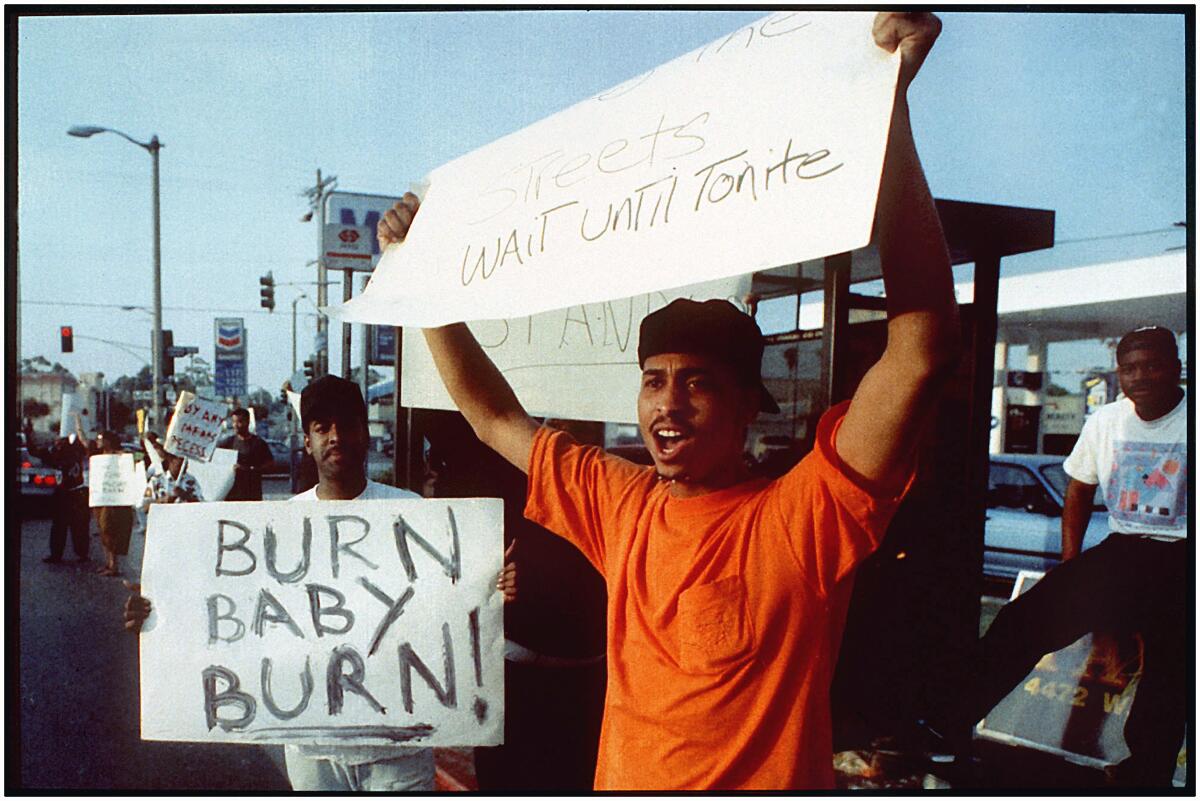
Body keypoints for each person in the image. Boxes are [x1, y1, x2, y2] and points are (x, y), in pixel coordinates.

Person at [376, 12, 958, 790]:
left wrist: (888, 114)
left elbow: (920, 351)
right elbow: (492, 416)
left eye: (698, 381)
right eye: (654, 379)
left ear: (752, 404)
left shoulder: (803, 519)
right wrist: (423, 282)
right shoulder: (624, 504)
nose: (668, 404)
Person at [125, 375, 517, 792]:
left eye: (347, 425)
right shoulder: (282, 523)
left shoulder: (413, 512)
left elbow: (452, 606)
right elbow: (231, 611)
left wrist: (492, 590)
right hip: (314, 753)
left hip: (399, 752)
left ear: (365, 434)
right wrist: (159, 609)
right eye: (321, 428)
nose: (336, 437)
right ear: (307, 441)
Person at [930, 326, 1187, 787]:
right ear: (1119, 374)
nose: (1140, 376)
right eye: (1129, 368)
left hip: (1184, 556)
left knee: (1172, 668)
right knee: (1021, 621)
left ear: (1177, 367)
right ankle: (948, 724)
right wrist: (1072, 565)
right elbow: (1079, 487)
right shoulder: (1106, 420)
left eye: (1152, 365)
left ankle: (1145, 777)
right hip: (1124, 547)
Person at [92, 429, 135, 577]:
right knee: (103, 531)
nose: (97, 442)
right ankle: (108, 563)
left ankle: (114, 564)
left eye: (100, 439)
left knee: (109, 529)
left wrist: (124, 457)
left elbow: (138, 460)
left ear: (108, 441)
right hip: (100, 499)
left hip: (114, 499)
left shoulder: (121, 454)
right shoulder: (99, 456)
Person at [42, 435, 90, 563]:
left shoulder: (73, 455)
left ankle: (80, 553)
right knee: (61, 525)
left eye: (60, 442)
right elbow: (41, 454)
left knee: (76, 525)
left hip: (75, 493)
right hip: (64, 494)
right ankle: (59, 554)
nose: (57, 444)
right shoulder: (58, 456)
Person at [217, 408, 274, 501]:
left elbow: (270, 464)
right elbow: (215, 459)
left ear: (247, 422)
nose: (236, 425)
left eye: (239, 422)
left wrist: (250, 469)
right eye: (234, 422)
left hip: (252, 493)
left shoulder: (258, 443)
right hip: (231, 494)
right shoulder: (228, 443)